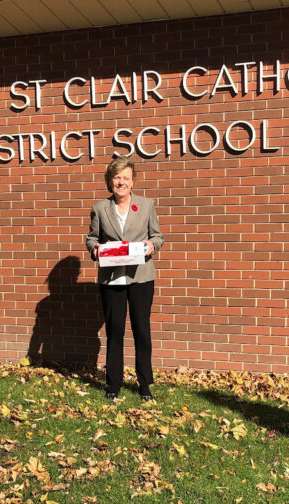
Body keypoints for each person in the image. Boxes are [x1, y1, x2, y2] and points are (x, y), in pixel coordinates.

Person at [86, 155, 164, 401]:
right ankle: (113, 384)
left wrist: (152, 246)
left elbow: (158, 236)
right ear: (110, 181)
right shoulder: (99, 208)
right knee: (115, 331)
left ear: (133, 181)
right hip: (111, 278)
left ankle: (144, 384)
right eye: (117, 177)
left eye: (126, 178)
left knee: (142, 330)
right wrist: (95, 249)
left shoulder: (147, 204)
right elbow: (91, 238)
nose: (121, 182)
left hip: (141, 277)